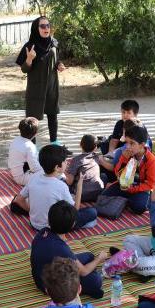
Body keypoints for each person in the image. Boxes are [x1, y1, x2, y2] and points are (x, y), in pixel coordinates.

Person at [30, 200, 106, 298]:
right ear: (72, 225)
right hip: (49, 285)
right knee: (96, 280)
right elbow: (83, 271)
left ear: (49, 219)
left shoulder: (43, 232)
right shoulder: (61, 248)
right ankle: (89, 288)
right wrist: (100, 258)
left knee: (89, 256)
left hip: (42, 274)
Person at [13, 144, 97, 230]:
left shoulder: (34, 177)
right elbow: (75, 210)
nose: (67, 163)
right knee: (92, 212)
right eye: (65, 161)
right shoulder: (61, 186)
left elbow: (19, 199)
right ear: (57, 167)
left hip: (34, 224)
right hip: (54, 227)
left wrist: (32, 211)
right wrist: (79, 186)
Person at [15, 16, 65, 144]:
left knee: (52, 115)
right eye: (42, 26)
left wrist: (59, 65)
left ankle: (54, 144)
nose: (46, 28)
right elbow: (24, 69)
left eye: (48, 25)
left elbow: (56, 59)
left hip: (51, 86)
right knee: (32, 120)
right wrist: (29, 59)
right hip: (36, 88)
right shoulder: (30, 46)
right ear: (36, 28)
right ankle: (31, 148)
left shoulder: (54, 43)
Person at [100, 126, 155, 214]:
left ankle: (126, 200)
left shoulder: (151, 160)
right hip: (124, 184)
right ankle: (126, 200)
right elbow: (117, 174)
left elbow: (150, 184)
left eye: (132, 143)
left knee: (139, 207)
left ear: (142, 145)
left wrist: (132, 189)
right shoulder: (126, 154)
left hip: (140, 188)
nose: (128, 146)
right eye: (127, 142)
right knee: (104, 197)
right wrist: (124, 159)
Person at [65, 135, 104, 202]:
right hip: (98, 192)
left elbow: (69, 182)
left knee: (64, 181)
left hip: (82, 194)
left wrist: (65, 173)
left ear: (80, 145)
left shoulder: (76, 160)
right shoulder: (97, 157)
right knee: (103, 176)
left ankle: (72, 197)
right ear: (95, 147)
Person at [8, 117, 43, 186]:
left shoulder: (16, 139)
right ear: (35, 134)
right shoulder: (29, 146)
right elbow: (34, 168)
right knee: (51, 175)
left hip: (13, 173)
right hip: (22, 178)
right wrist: (46, 170)